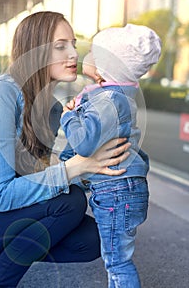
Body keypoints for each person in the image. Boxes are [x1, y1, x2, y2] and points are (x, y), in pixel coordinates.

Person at [0, 11, 130, 288]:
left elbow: (35, 181)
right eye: (60, 46)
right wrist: (74, 168)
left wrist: (97, 163)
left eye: (73, 43)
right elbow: (2, 195)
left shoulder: (53, 109)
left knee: (91, 239)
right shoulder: (1, 95)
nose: (73, 53)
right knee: (69, 202)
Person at [60, 23, 162, 288]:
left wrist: (69, 117)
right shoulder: (113, 96)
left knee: (117, 263)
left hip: (115, 191)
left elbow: (84, 144)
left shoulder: (109, 100)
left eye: (94, 52)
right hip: (119, 190)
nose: (86, 56)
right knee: (116, 258)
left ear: (107, 66)